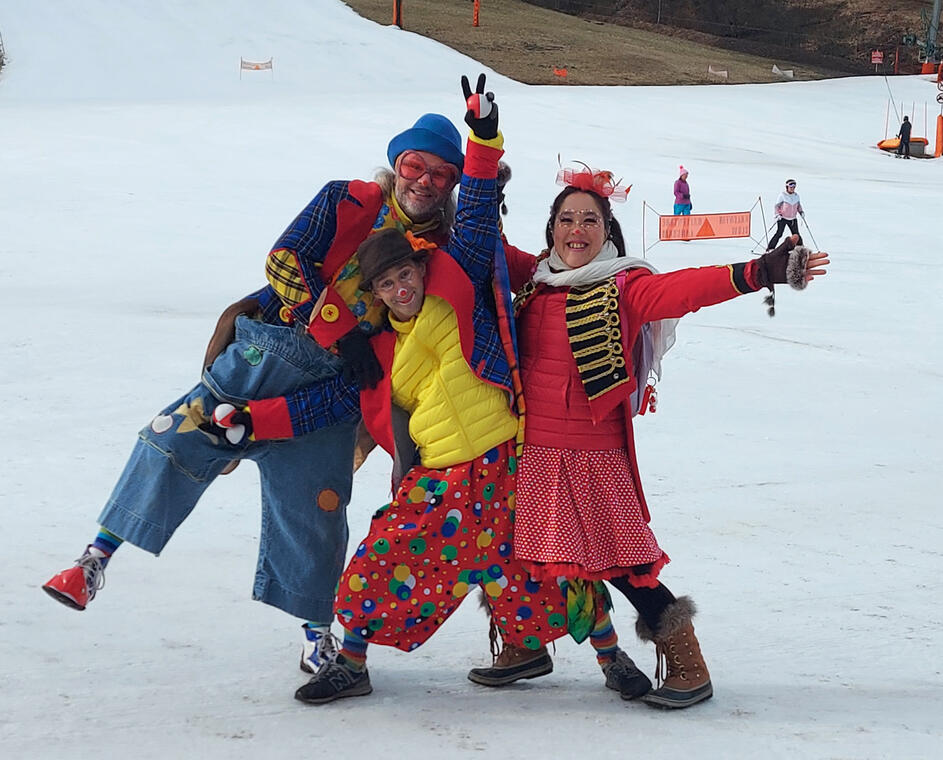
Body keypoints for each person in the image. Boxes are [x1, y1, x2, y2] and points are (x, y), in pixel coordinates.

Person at [41, 107, 473, 674]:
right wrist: (337, 332)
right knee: (175, 439)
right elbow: (284, 259)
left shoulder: (443, 251)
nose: (425, 180)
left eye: (442, 175)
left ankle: (317, 633)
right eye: (416, 164)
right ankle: (94, 560)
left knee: (317, 509)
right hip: (273, 349)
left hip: (337, 394)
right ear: (396, 165)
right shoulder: (346, 198)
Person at [242, 75, 569, 704]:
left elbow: (480, 227)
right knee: (448, 557)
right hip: (440, 464)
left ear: (424, 264)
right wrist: (257, 419)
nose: (399, 288)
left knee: (456, 559)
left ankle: (597, 654)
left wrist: (483, 147)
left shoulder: (453, 278)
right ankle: (503, 650)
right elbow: (353, 401)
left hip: (494, 455)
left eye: (405, 274)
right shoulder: (383, 340)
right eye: (384, 283)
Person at [474, 165, 829, 709]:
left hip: (593, 460)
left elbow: (683, 289)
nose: (576, 229)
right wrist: (485, 182)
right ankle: (526, 646)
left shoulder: (623, 286)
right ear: (551, 230)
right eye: (566, 219)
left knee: (623, 567)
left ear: (606, 231)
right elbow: (483, 244)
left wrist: (756, 271)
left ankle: (688, 663)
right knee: (519, 555)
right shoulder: (534, 278)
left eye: (589, 220)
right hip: (534, 455)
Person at [766, 178, 804, 251]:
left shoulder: (796, 196)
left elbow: (798, 206)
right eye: (791, 187)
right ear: (787, 187)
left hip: (792, 219)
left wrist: (801, 212)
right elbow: (777, 206)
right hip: (782, 218)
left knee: (796, 234)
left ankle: (800, 249)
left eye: (793, 187)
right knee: (779, 233)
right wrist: (777, 215)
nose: (792, 189)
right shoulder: (782, 195)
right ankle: (770, 248)